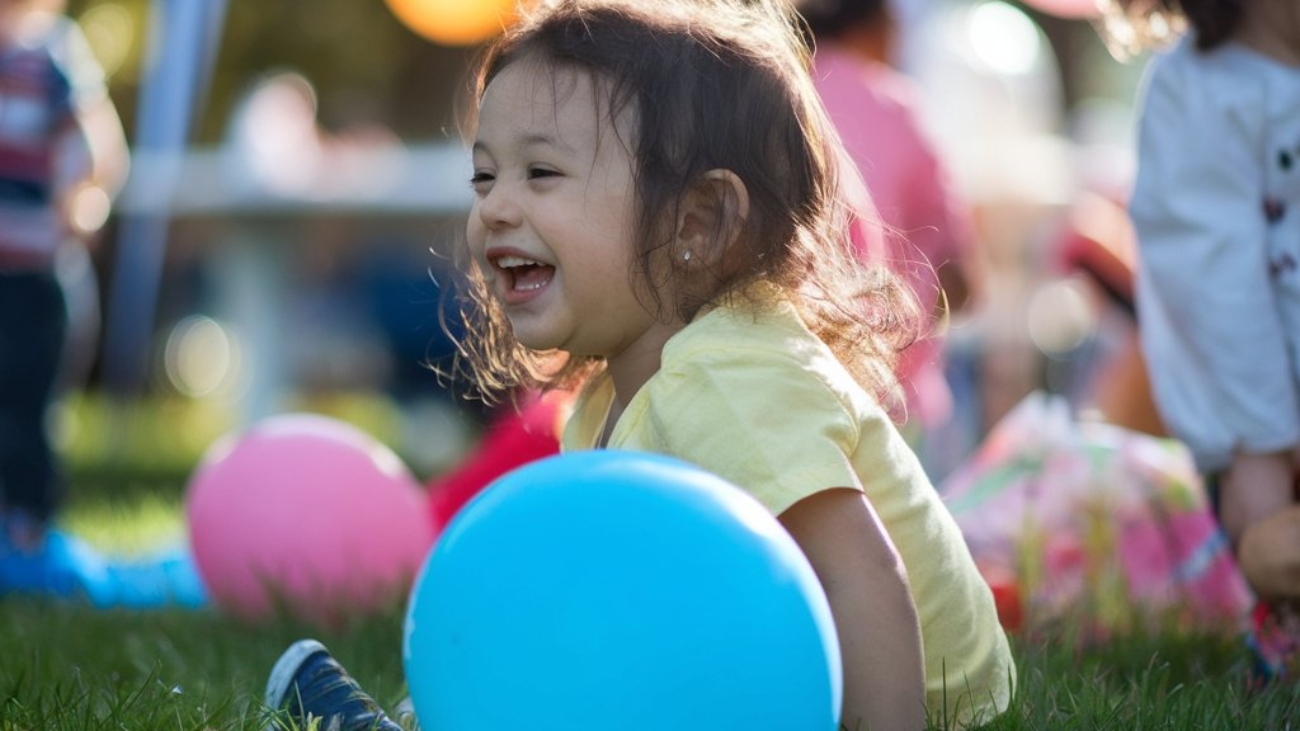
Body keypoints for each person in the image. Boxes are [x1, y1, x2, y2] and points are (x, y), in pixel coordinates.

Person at [263, 1, 1015, 729]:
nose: (493, 208)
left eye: (542, 174)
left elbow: (864, 578)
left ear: (697, 220)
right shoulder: (611, 397)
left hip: (920, 696)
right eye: (485, 176)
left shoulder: (730, 377)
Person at [1110, 0, 1300, 684]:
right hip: (1272, 432)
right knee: (1274, 553)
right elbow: (1216, 284)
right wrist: (1260, 444)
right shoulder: (1205, 89)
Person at [796, 0, 977, 467]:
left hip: (788, 380)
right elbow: (957, 278)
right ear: (876, 25)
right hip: (888, 394)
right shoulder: (897, 106)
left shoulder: (770, 95)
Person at [0, 0, 129, 552]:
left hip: (34, 273)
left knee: (27, 403)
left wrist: (82, 200)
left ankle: (28, 524)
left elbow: (100, 150)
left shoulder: (51, 54)